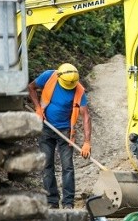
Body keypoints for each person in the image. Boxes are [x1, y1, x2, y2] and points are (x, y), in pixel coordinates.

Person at [28, 63, 92, 209]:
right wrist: (38, 108)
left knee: (67, 167)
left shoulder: (78, 90)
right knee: (47, 165)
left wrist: (87, 142)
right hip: (46, 127)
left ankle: (68, 203)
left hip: (66, 132)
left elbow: (86, 116)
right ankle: (52, 201)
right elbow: (31, 87)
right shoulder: (49, 76)